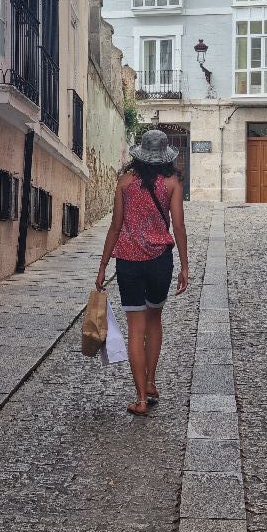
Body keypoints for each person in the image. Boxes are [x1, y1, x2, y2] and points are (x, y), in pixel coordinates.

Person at [96, 129, 189, 417]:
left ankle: (139, 398)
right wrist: (185, 265)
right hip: (161, 261)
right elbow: (179, 226)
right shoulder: (172, 183)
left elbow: (115, 226)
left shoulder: (124, 182)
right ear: (165, 157)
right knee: (154, 321)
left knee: (135, 329)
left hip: (128, 263)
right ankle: (150, 382)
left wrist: (102, 268)